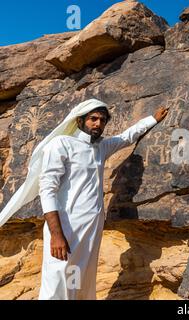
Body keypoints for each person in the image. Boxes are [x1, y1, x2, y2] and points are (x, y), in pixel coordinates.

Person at [37, 99, 168, 300]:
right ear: (80, 120)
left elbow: (126, 137)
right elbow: (47, 189)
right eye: (93, 119)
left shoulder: (101, 147)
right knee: (57, 280)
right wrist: (56, 234)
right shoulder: (61, 144)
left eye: (103, 120)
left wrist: (152, 119)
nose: (98, 124)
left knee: (81, 279)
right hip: (65, 227)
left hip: (91, 228)